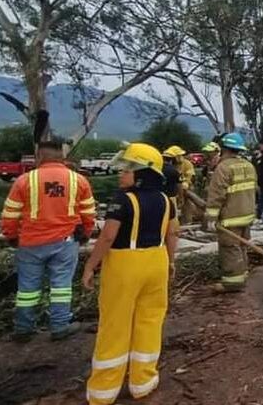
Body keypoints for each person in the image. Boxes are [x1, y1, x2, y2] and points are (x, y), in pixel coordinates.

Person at [83, 143, 178, 404]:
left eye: (127, 169)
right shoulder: (166, 200)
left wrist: (91, 265)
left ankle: (103, 391)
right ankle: (143, 382)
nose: (121, 173)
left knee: (115, 324)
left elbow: (107, 236)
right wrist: (171, 262)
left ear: (142, 172)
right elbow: (172, 233)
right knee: (150, 321)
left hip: (125, 265)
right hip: (157, 262)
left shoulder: (122, 199)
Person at [0, 140, 96, 342]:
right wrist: (86, 233)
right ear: (61, 157)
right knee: (61, 285)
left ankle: (23, 328)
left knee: (27, 288)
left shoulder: (24, 180)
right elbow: (88, 212)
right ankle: (60, 326)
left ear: (39, 157)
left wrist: (11, 236)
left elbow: (9, 215)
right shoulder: (78, 180)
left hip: (30, 242)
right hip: (65, 241)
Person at [204, 132, 257, 292]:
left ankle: (232, 282)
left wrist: (211, 217)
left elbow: (216, 195)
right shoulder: (248, 165)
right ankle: (242, 272)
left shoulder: (223, 167)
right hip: (247, 215)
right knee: (242, 246)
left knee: (229, 248)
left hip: (230, 217)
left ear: (224, 148)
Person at [161, 148, 183, 230]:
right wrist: (181, 197)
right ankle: (173, 231)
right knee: (172, 217)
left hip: (160, 197)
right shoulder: (174, 171)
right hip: (171, 197)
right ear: (172, 160)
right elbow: (179, 185)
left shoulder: (157, 169)